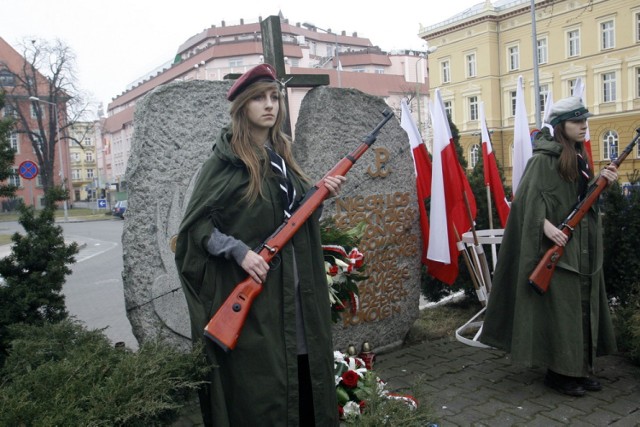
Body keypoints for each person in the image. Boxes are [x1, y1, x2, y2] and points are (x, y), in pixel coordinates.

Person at [174, 63, 343, 426]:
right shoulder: (225, 163)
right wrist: (239, 251)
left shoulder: (283, 158)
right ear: (242, 108)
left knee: (304, 380)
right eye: (259, 99)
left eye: (274, 98)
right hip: (259, 307)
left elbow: (291, 220)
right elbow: (197, 228)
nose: (270, 106)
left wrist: (319, 196)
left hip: (299, 297)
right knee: (263, 394)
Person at [480, 96, 618, 397]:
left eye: (584, 121)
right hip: (558, 249)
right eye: (576, 122)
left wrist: (601, 181)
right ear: (560, 127)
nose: (583, 127)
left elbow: (578, 198)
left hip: (581, 247)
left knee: (580, 308)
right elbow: (525, 202)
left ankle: (579, 370)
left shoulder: (578, 156)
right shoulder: (542, 160)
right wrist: (545, 226)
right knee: (563, 312)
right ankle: (559, 374)